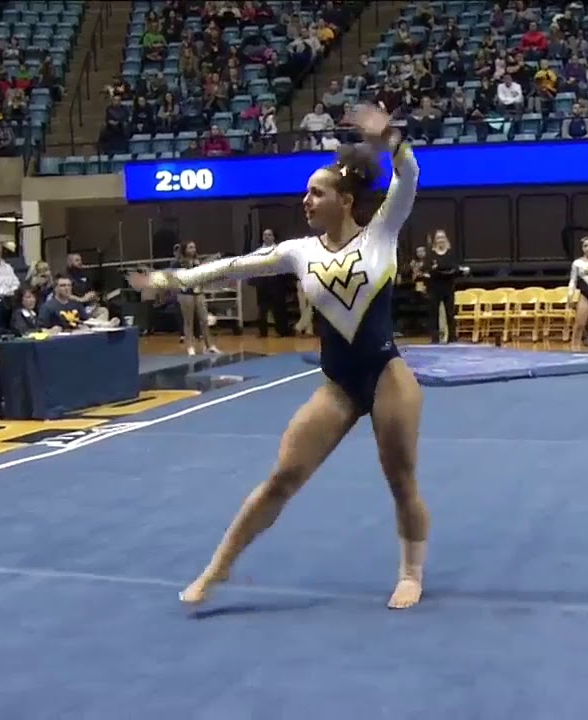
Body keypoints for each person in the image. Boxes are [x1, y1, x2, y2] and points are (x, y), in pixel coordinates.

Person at [128, 105, 430, 610]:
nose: (305, 200)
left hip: (386, 375)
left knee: (400, 478)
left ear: (345, 199)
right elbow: (234, 267)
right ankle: (218, 567)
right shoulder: (299, 252)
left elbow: (410, 174)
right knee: (282, 477)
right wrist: (172, 280)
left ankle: (411, 571)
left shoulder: (382, 232)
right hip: (338, 381)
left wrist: (388, 138)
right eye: (307, 193)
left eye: (316, 193)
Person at [174, 241, 222, 353]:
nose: (193, 249)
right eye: (190, 247)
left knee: (204, 320)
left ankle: (209, 345)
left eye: (194, 247)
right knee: (189, 321)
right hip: (186, 294)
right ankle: (190, 346)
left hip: (199, 293)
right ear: (185, 250)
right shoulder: (179, 263)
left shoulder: (198, 261)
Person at [424, 229, 465, 344]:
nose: (440, 240)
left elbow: (455, 267)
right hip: (434, 288)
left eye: (442, 237)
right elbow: (427, 270)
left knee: (450, 313)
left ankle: (452, 337)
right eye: (438, 238)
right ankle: (435, 338)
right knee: (434, 314)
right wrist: (437, 270)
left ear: (446, 239)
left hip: (448, 287)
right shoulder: (431, 255)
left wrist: (441, 269)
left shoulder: (451, 253)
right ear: (435, 241)